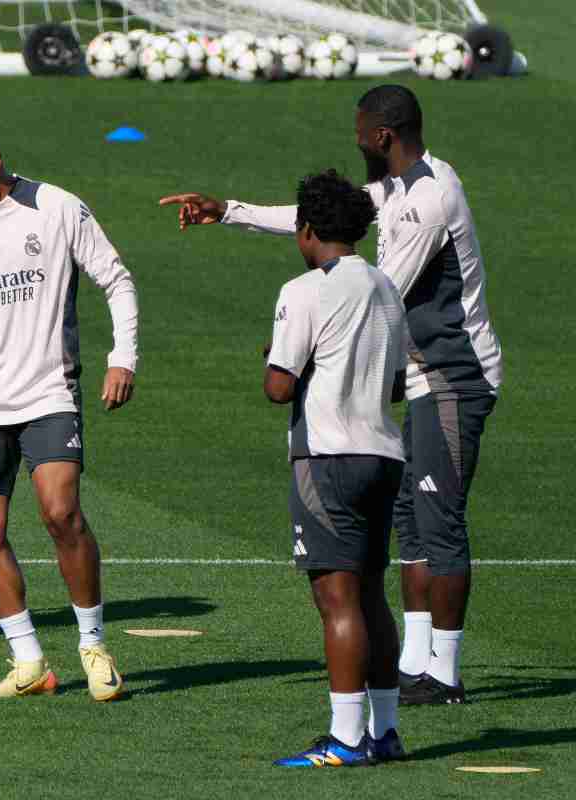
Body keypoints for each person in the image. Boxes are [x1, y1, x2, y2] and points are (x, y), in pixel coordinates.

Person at [160, 85, 501, 706]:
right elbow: (326, 217)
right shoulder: (395, 187)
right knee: (409, 521)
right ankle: (415, 661)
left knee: (440, 520)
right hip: (416, 377)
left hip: (454, 374)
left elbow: (375, 290)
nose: (356, 139)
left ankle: (445, 674)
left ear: (382, 135)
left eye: (359, 130)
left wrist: (307, 327)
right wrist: (229, 210)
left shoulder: (430, 198)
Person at [0, 123, 138, 701]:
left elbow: (116, 281)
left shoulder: (56, 208)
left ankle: (93, 646)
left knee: (61, 513)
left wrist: (123, 358)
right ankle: (28, 662)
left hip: (49, 393)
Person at [264, 170, 408, 767]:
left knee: (336, 599)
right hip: (383, 454)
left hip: (327, 458)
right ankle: (386, 732)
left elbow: (278, 387)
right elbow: (396, 384)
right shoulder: (386, 286)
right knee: (372, 594)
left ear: (307, 230)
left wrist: (278, 362)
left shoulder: (303, 290)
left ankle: (346, 739)